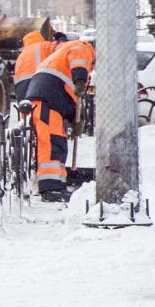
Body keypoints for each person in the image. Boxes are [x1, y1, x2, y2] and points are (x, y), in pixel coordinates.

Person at [25, 40, 95, 202]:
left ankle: (55, 182)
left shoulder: (61, 56)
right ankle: (51, 188)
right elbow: (77, 60)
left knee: (53, 140)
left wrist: (76, 119)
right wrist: (80, 80)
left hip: (47, 97)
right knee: (50, 141)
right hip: (47, 98)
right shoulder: (84, 48)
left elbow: (70, 94)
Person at [13, 30, 66, 100]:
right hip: (39, 81)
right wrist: (61, 40)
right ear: (40, 38)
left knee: (26, 109)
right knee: (42, 108)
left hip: (21, 86)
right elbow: (63, 49)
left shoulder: (22, 54)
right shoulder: (45, 46)